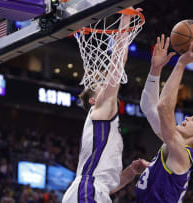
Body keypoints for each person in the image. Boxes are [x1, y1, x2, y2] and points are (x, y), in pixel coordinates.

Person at [62, 8, 148, 203]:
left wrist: (129, 173)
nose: (106, 85)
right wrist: (125, 18)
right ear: (93, 101)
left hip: (92, 190)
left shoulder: (105, 121)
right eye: (101, 86)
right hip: (87, 189)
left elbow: (106, 186)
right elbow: (118, 62)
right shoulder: (100, 111)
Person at [134, 34, 193, 202]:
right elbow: (149, 108)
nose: (187, 117)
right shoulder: (171, 144)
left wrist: (181, 63)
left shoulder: (182, 153)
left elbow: (163, 107)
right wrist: (155, 70)